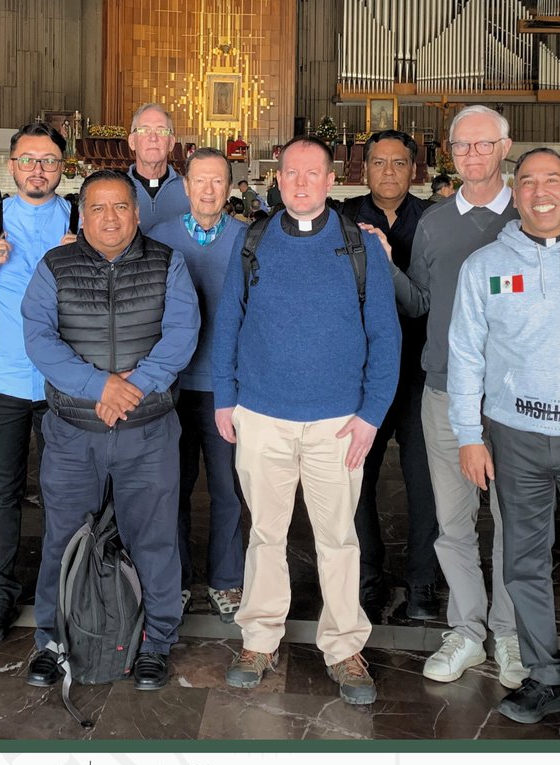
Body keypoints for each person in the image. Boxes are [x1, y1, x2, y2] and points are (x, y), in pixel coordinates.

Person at [213, 136, 401, 704]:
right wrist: (226, 397)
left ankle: (344, 648)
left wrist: (371, 415)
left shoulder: (359, 245)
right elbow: (227, 325)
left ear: (329, 181)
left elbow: (385, 338)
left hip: (337, 423)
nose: (299, 183)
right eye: (290, 173)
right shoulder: (252, 240)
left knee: (339, 539)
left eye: (311, 174)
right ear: (279, 178)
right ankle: (260, 637)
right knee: (265, 533)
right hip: (262, 416)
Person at [449, 149, 560, 740]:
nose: (540, 191)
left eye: (553, 180)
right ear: (514, 193)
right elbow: (466, 354)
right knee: (522, 562)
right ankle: (546, 673)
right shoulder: (484, 265)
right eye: (528, 181)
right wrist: (470, 435)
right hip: (514, 434)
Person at [21, 169, 199, 692]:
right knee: (63, 537)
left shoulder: (169, 263)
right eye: (97, 208)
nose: (110, 218)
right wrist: (99, 387)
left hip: (148, 432)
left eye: (120, 207)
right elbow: (39, 337)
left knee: (154, 539)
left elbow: (181, 335)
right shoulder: (55, 265)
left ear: (136, 213)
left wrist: (132, 388)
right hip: (75, 431)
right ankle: (53, 641)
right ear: (82, 215)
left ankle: (155, 643)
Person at [373, 104, 525, 688]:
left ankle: (510, 635)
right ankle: (467, 628)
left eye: (483, 145)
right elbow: (419, 303)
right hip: (443, 392)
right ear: (450, 154)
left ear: (504, 148)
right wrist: (387, 266)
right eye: (462, 147)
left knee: (514, 522)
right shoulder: (434, 223)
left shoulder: (529, 215)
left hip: (514, 399)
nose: (473, 155)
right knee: (453, 521)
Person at [0, 122, 75, 644]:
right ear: (11, 166)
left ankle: (68, 594)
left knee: (68, 495)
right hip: (3, 381)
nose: (38, 169)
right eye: (28, 159)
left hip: (64, 384)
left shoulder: (81, 219)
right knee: (2, 493)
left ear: (62, 168)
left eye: (49, 160)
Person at [342, 130, 439, 622]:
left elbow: (430, 298)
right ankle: (366, 576)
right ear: (364, 168)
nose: (387, 172)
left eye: (398, 163)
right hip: (361, 371)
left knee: (425, 481)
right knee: (356, 477)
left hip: (420, 367)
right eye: (378, 162)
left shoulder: (434, 221)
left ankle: (423, 581)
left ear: (413, 170)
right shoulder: (342, 219)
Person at [151, 148, 247, 622]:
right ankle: (179, 578)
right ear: (184, 187)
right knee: (175, 487)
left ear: (229, 187)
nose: (208, 190)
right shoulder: (158, 238)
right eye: (199, 181)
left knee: (229, 488)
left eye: (217, 181)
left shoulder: (248, 240)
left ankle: (227, 579)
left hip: (226, 386)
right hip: (170, 387)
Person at [127, 102, 190, 232]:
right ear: (132, 141)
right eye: (144, 130)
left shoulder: (190, 190)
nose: (153, 138)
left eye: (161, 131)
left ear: (171, 143)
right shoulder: (116, 189)